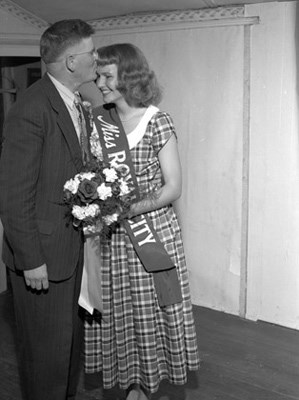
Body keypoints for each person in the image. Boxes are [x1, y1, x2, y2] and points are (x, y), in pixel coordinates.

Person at [84, 43, 200, 400]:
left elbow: (174, 186)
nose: (99, 81)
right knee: (120, 311)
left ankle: (148, 384)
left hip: (151, 235)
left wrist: (126, 209)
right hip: (113, 239)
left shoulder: (157, 120)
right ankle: (132, 385)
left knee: (150, 311)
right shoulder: (99, 121)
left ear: (129, 77)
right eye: (98, 74)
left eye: (107, 76)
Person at [0, 19, 98, 400]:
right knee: (45, 359)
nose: (96, 59)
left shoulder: (74, 102)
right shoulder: (32, 108)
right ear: (71, 61)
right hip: (42, 259)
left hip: (68, 253)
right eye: (92, 53)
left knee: (66, 352)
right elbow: (13, 193)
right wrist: (31, 259)